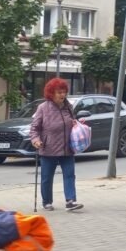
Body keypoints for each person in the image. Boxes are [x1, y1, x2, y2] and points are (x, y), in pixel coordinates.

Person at [30, 78, 83, 211]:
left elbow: (71, 121)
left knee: (69, 175)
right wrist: (36, 140)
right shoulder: (43, 108)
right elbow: (34, 128)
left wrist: (76, 124)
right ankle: (47, 202)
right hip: (49, 148)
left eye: (64, 92)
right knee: (47, 178)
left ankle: (70, 201)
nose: (62, 95)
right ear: (51, 93)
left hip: (67, 148)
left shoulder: (68, 106)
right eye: (59, 92)